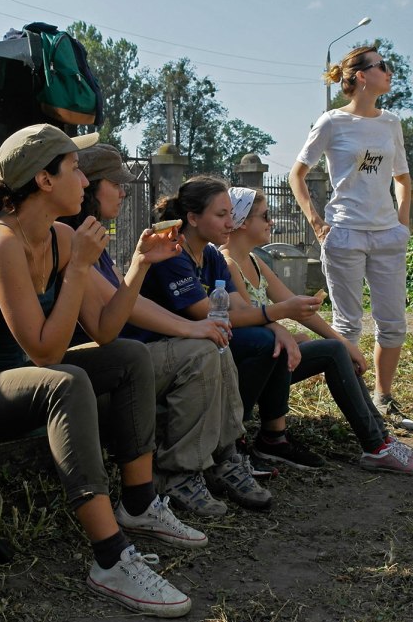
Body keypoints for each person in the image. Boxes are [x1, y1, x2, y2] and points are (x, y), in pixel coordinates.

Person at [0, 124, 201, 618]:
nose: (85, 182)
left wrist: (137, 264)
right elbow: (47, 354)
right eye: (74, 169)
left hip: (7, 379)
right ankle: (111, 561)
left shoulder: (63, 235)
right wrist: (75, 272)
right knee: (65, 381)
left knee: (128, 358)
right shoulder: (0, 241)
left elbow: (108, 329)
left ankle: (138, 503)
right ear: (44, 181)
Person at [63, 144, 247, 516]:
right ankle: (177, 474)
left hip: (112, 358)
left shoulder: (91, 236)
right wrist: (192, 328)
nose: (124, 191)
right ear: (90, 186)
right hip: (94, 369)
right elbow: (109, 321)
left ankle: (226, 455)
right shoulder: (72, 236)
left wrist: (197, 327)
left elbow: (124, 297)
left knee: (213, 342)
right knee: (201, 351)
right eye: (116, 184)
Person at [221, 187, 413, 474]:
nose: (272, 222)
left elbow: (296, 308)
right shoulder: (228, 263)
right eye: (265, 216)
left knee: (335, 349)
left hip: (271, 357)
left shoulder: (255, 261)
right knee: (329, 351)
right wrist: (297, 336)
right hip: (246, 368)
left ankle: (380, 439)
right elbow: (249, 319)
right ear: (242, 222)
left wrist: (345, 343)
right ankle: (376, 445)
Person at [136, 175, 320, 483]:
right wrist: (279, 315)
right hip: (160, 349)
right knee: (260, 341)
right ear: (192, 218)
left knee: (268, 340)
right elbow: (203, 314)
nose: (229, 222)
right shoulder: (172, 252)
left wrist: (277, 325)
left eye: (230, 214)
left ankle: (237, 445)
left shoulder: (210, 254)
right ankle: (232, 447)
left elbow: (237, 309)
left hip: (201, 343)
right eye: (221, 215)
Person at [289, 44, 413, 430]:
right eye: (383, 66)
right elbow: (298, 174)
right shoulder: (331, 122)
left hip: (386, 237)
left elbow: (403, 178)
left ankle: (383, 396)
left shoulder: (391, 123)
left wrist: (402, 223)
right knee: (347, 325)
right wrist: (315, 219)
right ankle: (356, 407)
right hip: (344, 233)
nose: (390, 72)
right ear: (362, 76)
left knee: (393, 323)